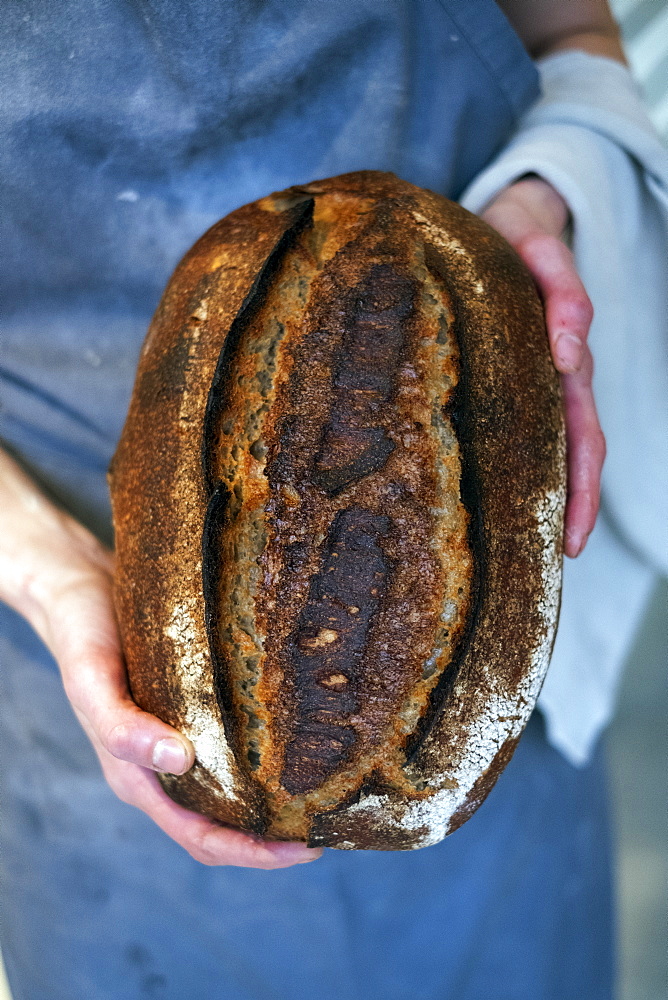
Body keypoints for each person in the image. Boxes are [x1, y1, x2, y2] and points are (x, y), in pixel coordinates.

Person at [0, 2, 665, 997]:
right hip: (83, 667)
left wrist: (545, 192)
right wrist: (47, 570)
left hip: (482, 675)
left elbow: (568, 35)